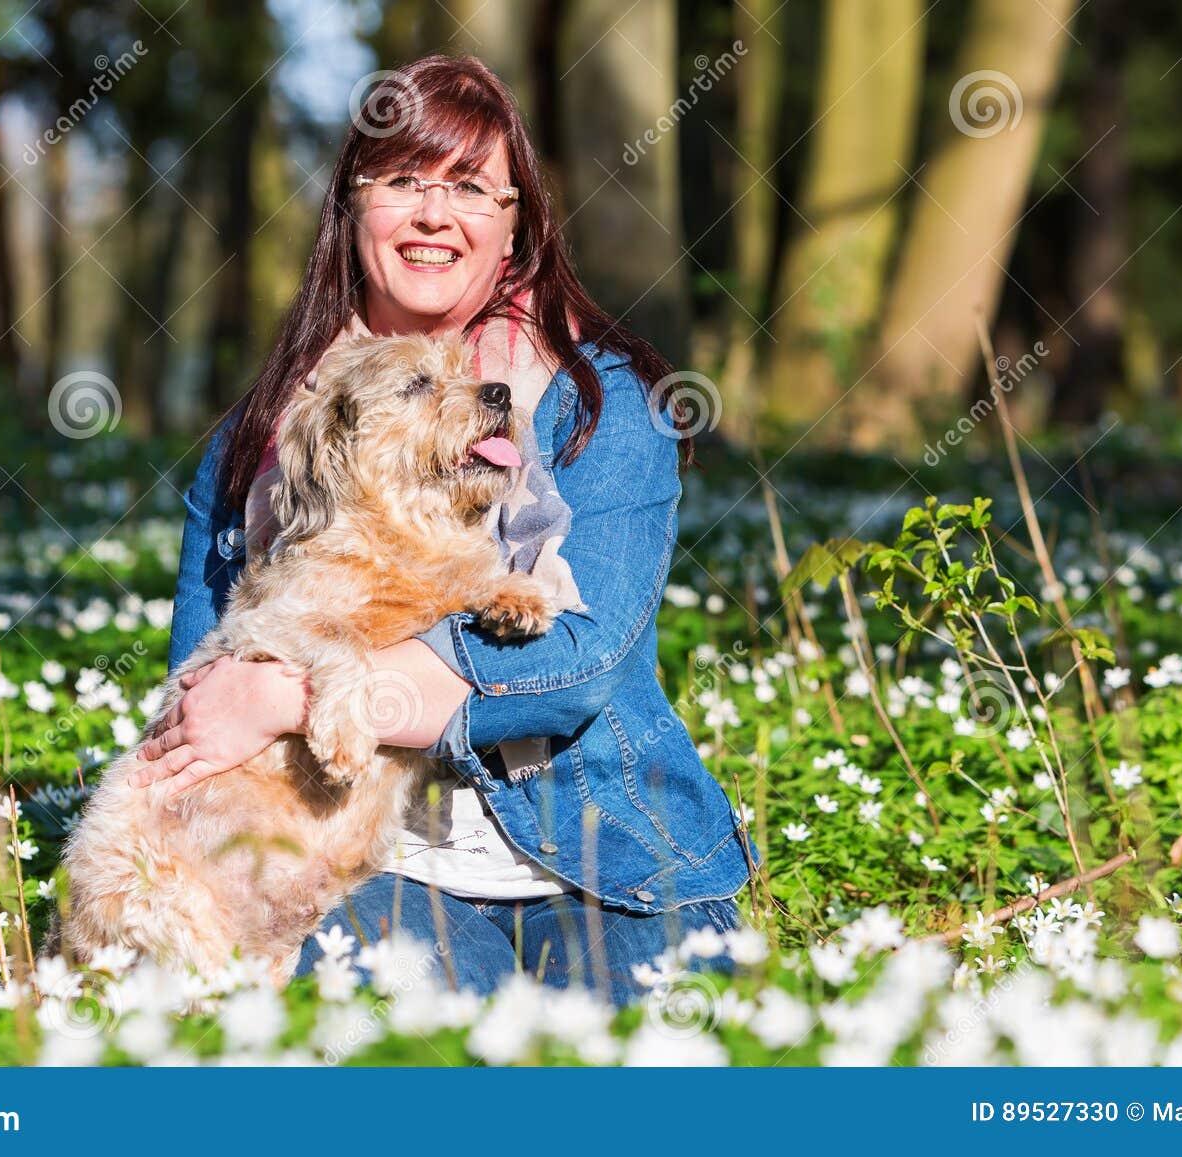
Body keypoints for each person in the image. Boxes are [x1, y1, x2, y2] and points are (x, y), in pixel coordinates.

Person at [132, 54, 754, 1006]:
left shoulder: (605, 404)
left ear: (514, 227)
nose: (434, 215)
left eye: (470, 187)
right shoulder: (260, 444)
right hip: (369, 864)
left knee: (643, 1076)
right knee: (447, 1067)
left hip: (613, 861)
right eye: (404, 183)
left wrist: (294, 699)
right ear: (354, 212)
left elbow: (577, 664)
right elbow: (203, 704)